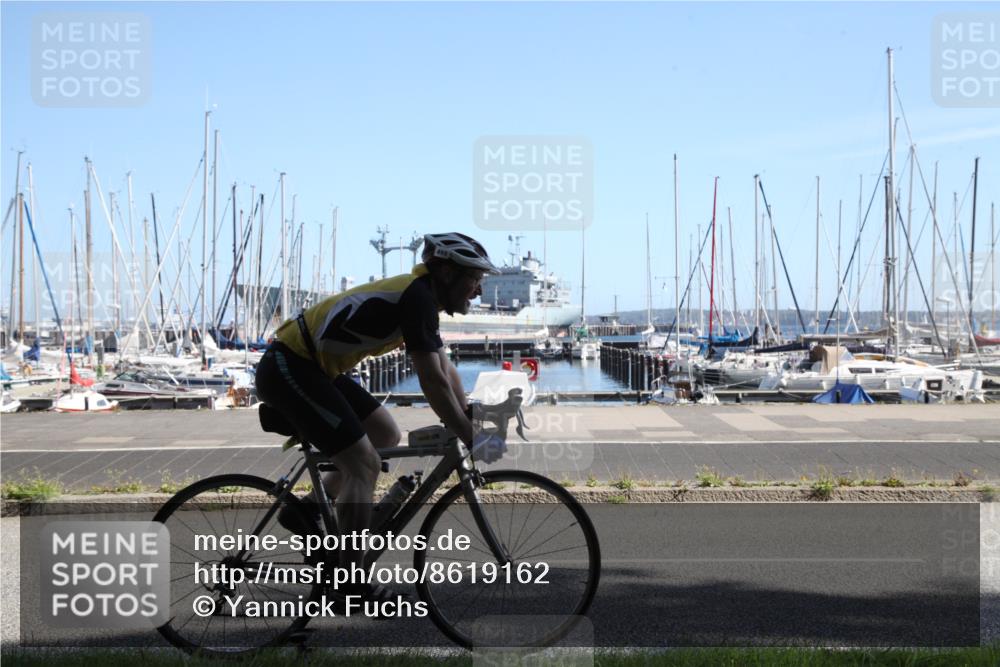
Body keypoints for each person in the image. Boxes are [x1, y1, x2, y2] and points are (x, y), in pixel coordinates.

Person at [254, 232, 504, 602]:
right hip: (289, 365)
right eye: (474, 279)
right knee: (363, 465)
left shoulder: (423, 298)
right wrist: (468, 433)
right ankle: (349, 585)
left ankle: (304, 512)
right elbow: (432, 382)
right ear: (448, 273)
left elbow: (444, 367)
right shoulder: (417, 297)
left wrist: (466, 413)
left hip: (316, 368)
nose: (478, 290)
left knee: (386, 434)